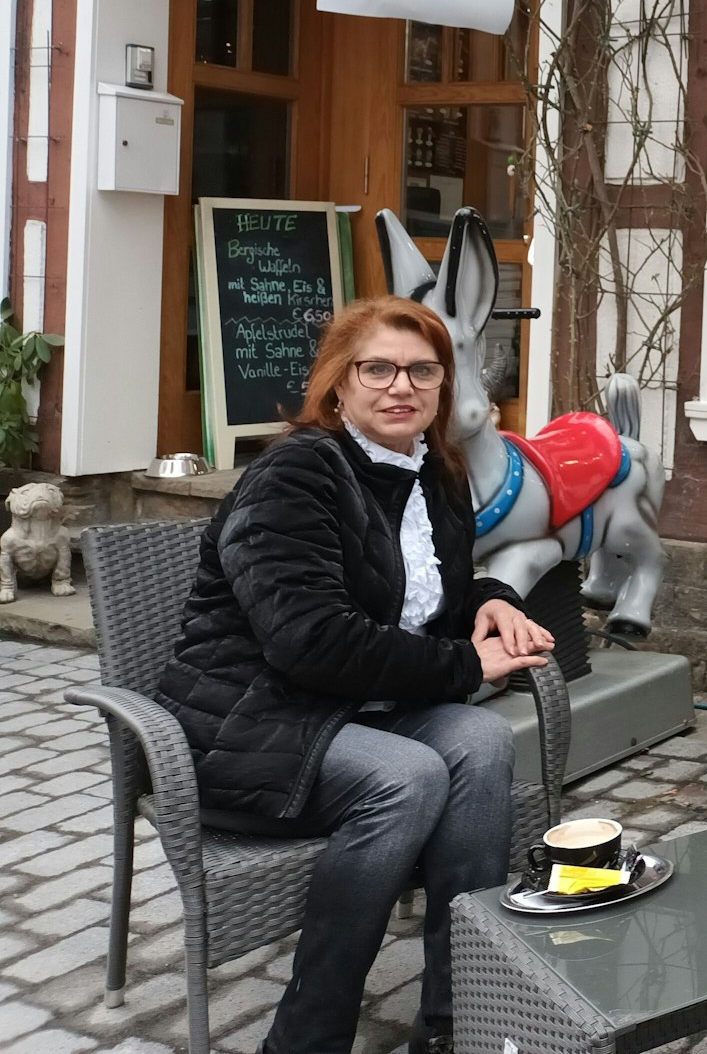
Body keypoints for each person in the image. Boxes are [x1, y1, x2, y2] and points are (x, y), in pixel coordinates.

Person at [152, 297, 555, 1054]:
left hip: (358, 710)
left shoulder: (434, 470)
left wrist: (494, 600)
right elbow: (310, 641)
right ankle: (308, 1036)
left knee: (482, 740)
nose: (401, 386)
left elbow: (427, 582)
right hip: (250, 721)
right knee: (407, 777)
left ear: (442, 386)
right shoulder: (294, 475)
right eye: (378, 368)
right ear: (339, 385)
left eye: (422, 370)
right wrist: (466, 663)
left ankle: (456, 1019)